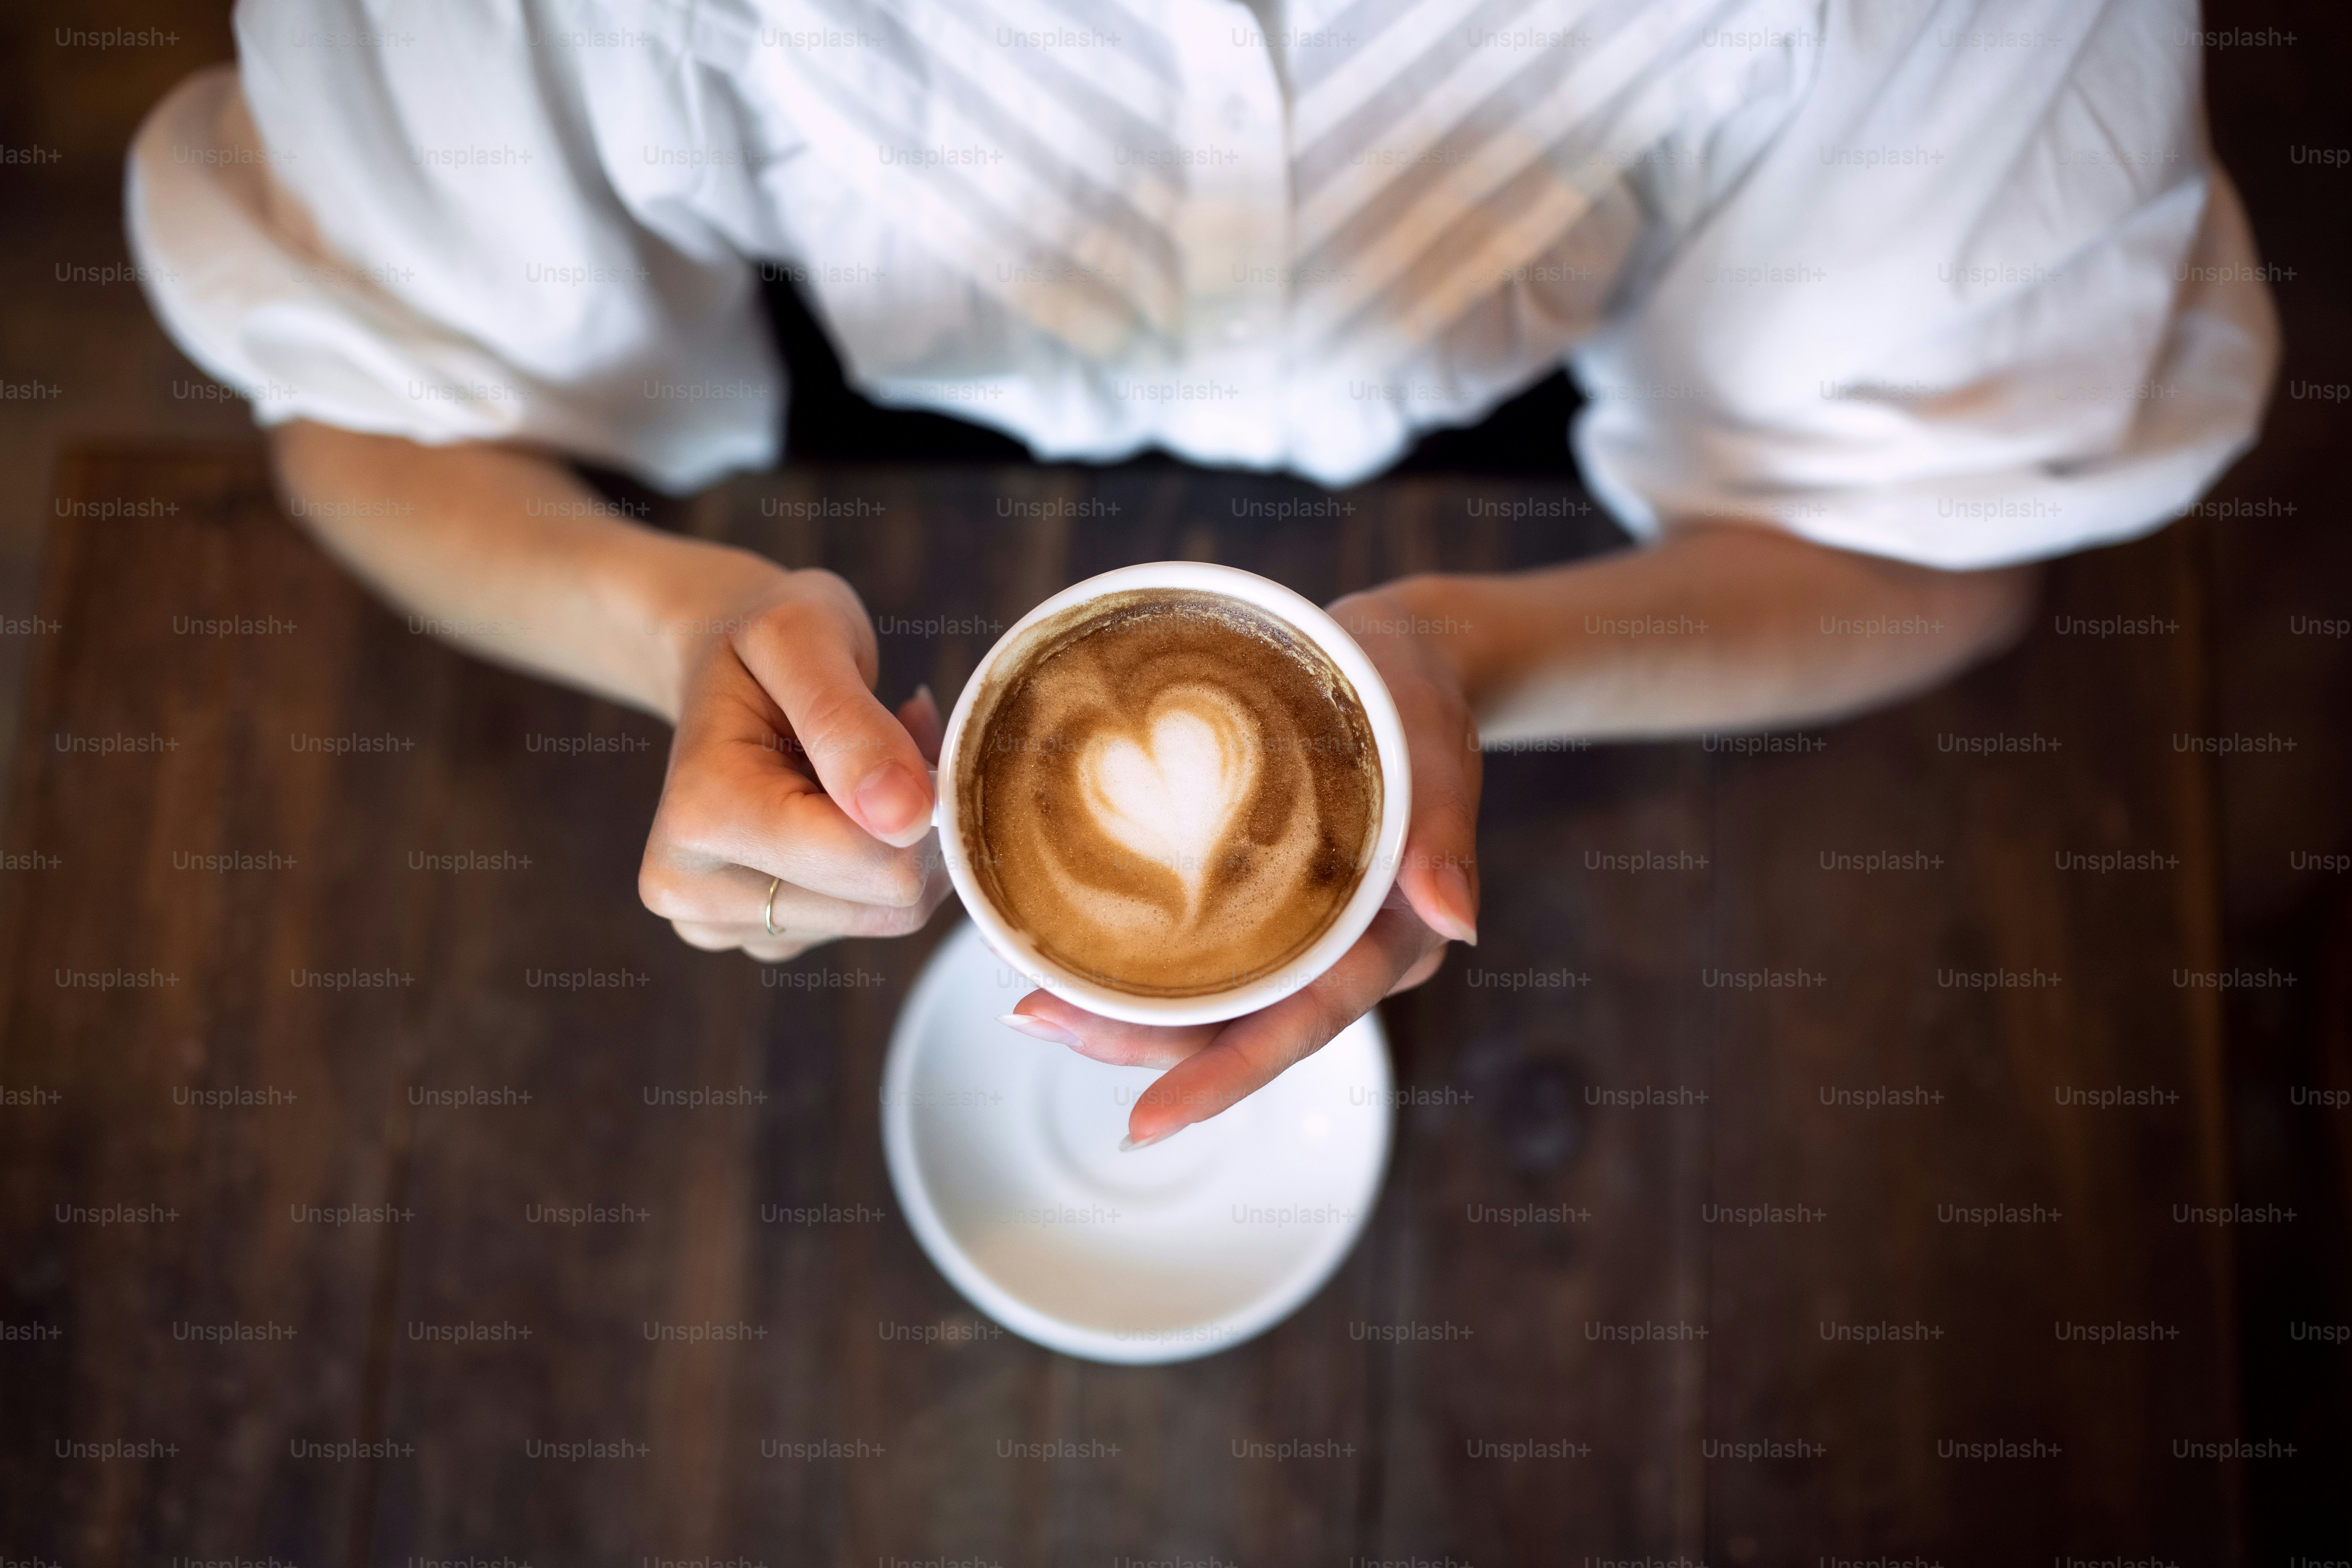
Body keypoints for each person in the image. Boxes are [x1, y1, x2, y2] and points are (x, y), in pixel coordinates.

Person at [128, 0, 2276, 1149]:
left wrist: (1482, 652)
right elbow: (376, 409)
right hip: (822, 416)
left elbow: (1933, 543)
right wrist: (673, 621)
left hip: (1563, 451)